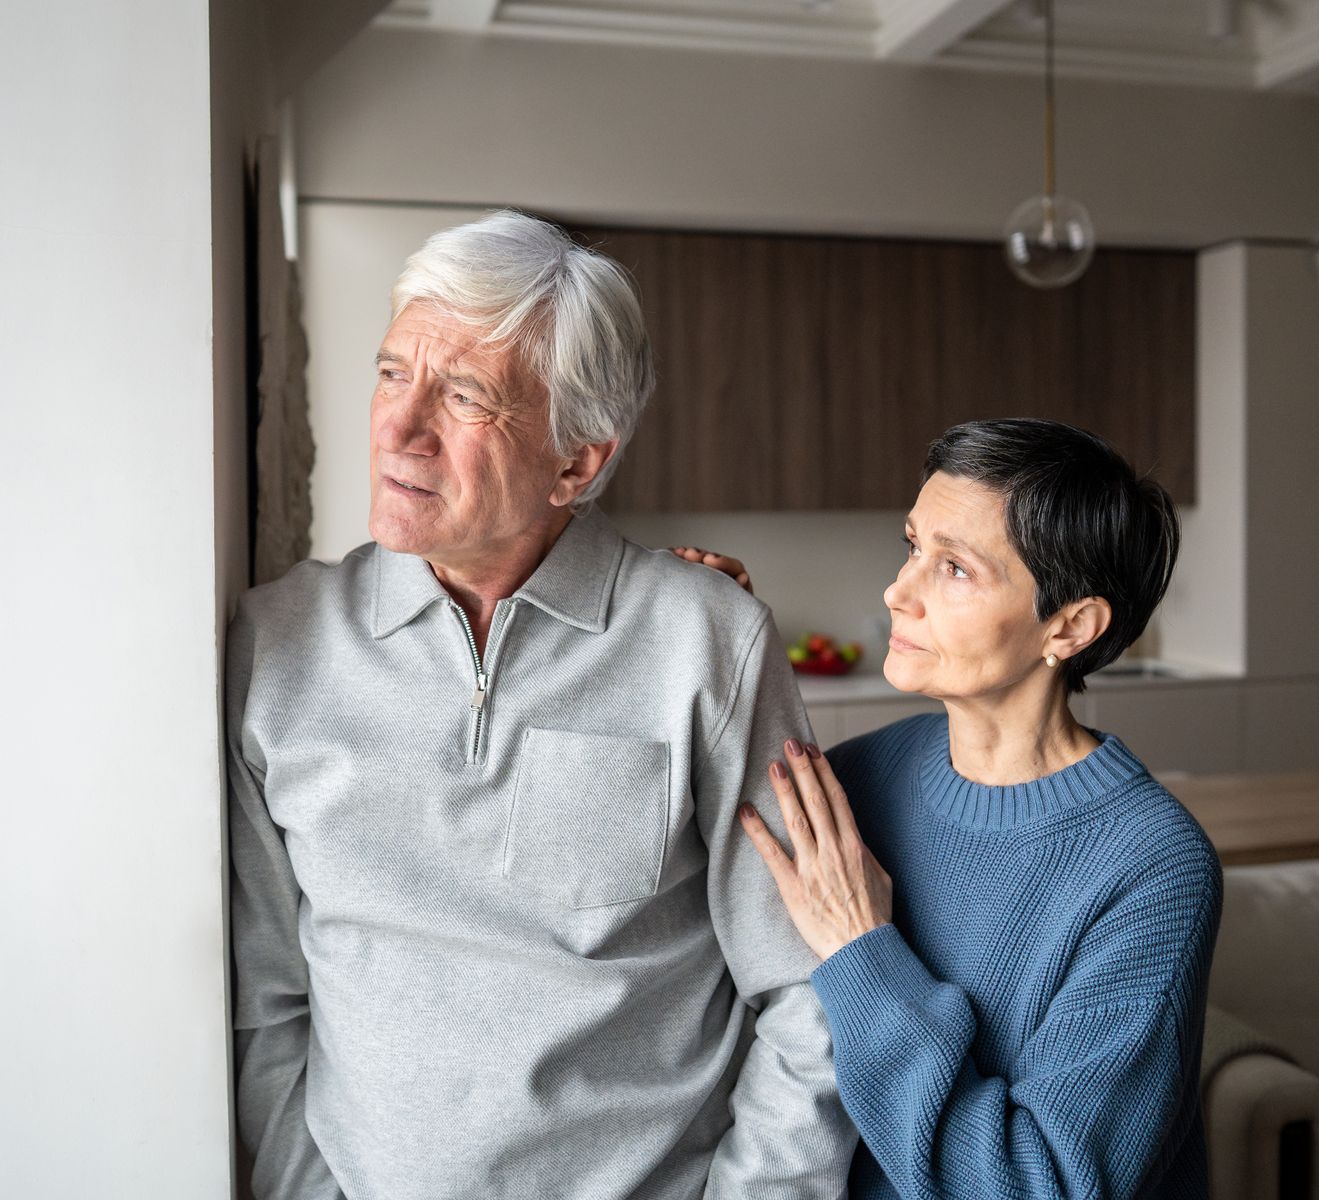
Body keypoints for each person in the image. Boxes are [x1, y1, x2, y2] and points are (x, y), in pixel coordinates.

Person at [226, 211, 855, 1199]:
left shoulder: (708, 641)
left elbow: (810, 984)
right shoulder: (275, 647)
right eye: (394, 373)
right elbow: (264, 1004)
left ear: (578, 463)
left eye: (464, 395)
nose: (399, 426)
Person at [702, 419, 1221, 1199]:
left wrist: (862, 945)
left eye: (954, 569)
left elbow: (1034, 1184)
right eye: (913, 547)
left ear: (1070, 627)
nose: (896, 592)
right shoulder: (863, 776)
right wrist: (701, 628)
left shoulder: (1154, 869)